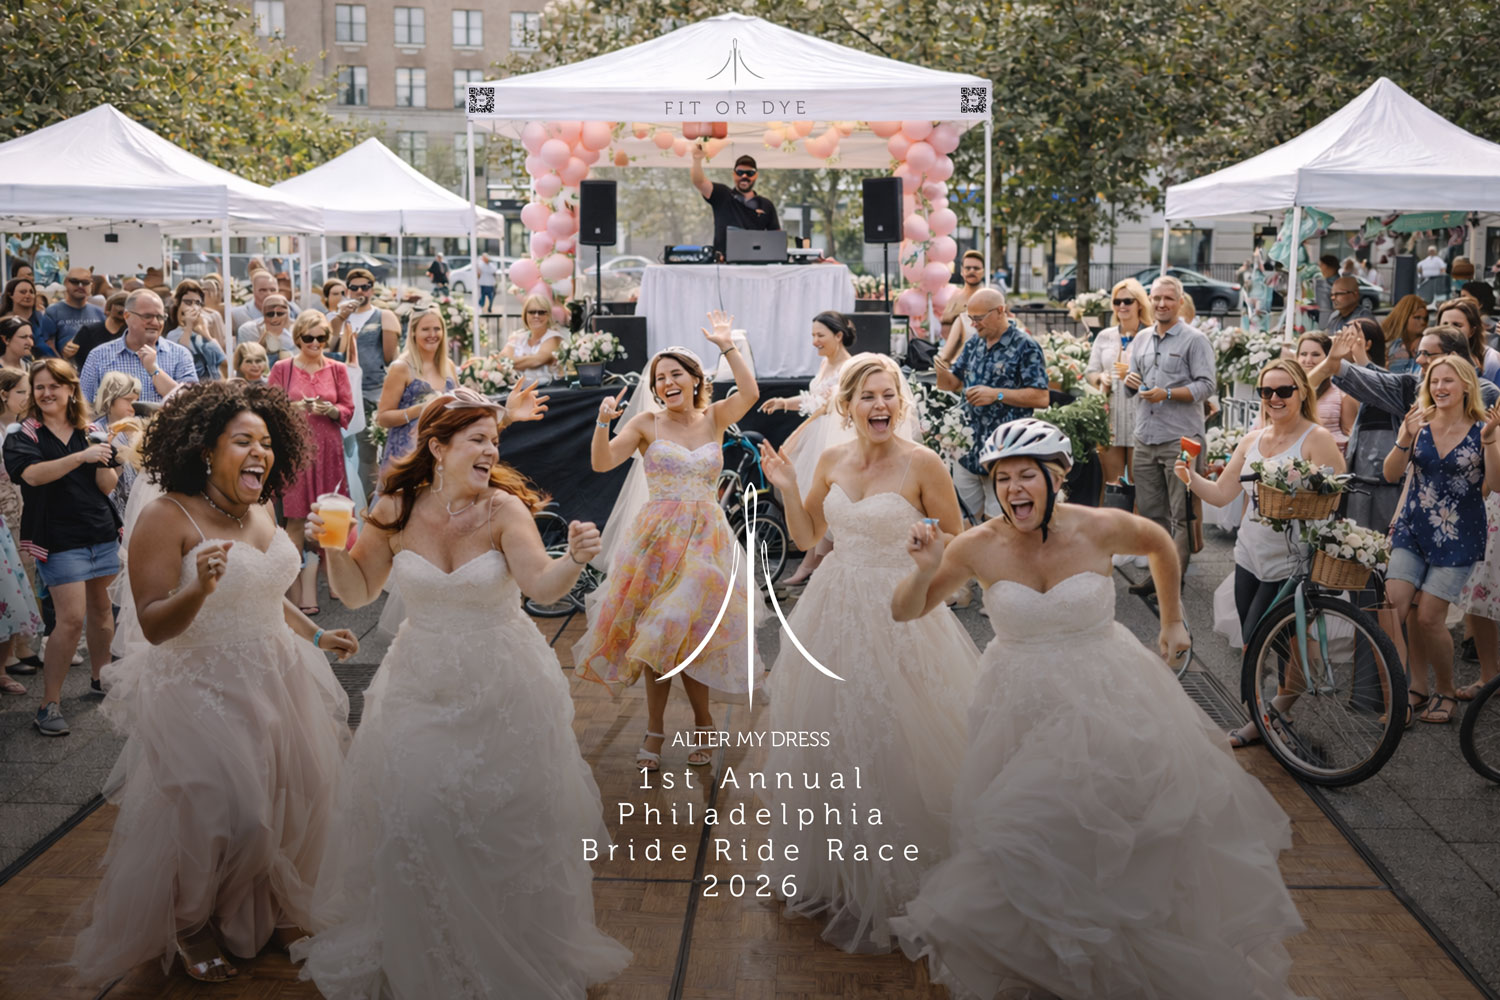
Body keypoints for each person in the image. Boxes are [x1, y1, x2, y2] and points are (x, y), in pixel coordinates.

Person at [889, 418, 1305, 1000]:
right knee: (1021, 832)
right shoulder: (974, 546)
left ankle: (1114, 961)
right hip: (1018, 706)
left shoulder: (1100, 527)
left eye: (1026, 475)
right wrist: (927, 569)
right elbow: (905, 612)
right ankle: (1054, 960)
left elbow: (1160, 543)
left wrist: (1173, 620)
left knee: (1122, 831)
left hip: (1108, 693)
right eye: (1002, 478)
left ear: (1055, 477)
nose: (1013, 489)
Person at [293, 387, 629, 998]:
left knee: (500, 822)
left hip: (502, 683)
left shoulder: (503, 509)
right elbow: (361, 590)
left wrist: (575, 559)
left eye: (494, 440)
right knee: (415, 810)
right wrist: (332, 547)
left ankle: (509, 944)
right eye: (478, 439)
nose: (491, 450)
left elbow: (542, 586)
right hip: (419, 682)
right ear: (439, 446)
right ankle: (427, 944)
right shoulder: (395, 507)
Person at [70, 380, 356, 986]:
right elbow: (151, 624)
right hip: (200, 685)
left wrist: (315, 635)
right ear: (206, 450)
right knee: (230, 815)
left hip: (278, 673)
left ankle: (273, 908)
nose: (261, 452)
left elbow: (267, 591)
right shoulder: (164, 516)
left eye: (267, 442)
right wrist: (197, 588)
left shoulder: (260, 508)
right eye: (244, 441)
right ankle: (190, 921)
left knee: (292, 801)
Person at [756, 354, 980, 953]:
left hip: (898, 610)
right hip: (831, 609)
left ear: (899, 403)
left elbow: (960, 541)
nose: (881, 405)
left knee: (896, 733)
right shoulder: (829, 460)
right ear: (847, 406)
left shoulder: (922, 463)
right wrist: (784, 487)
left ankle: (902, 871)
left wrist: (929, 554)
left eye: (889, 396)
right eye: (868, 397)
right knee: (830, 733)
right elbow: (809, 541)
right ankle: (837, 871)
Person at [574, 312, 762, 769]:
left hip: (707, 541)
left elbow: (751, 393)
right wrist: (602, 423)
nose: (667, 382)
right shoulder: (645, 424)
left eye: (676, 373)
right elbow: (602, 465)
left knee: (683, 625)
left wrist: (726, 345)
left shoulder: (715, 416)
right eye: (660, 378)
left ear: (696, 379)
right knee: (658, 637)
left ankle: (702, 723)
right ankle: (660, 729)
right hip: (656, 541)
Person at [1177, 360, 1346, 746]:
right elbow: (1223, 493)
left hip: (1292, 558)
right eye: (1266, 392)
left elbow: (1337, 493)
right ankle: (1272, 714)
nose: (1274, 398)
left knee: (1264, 638)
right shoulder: (1252, 440)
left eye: (1283, 391)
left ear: (1301, 392)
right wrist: (1189, 478)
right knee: (1259, 640)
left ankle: (1270, 716)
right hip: (1249, 554)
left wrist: (1299, 494)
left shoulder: (1316, 438)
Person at [3, 359, 123, 735]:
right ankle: (48, 703)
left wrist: (107, 454)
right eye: (39, 387)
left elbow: (107, 486)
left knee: (103, 612)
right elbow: (32, 477)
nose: (47, 393)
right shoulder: (22, 435)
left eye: (55, 385)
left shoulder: (91, 432)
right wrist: (80, 457)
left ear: (71, 389)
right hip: (58, 538)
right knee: (70, 621)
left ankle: (100, 678)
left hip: (101, 532)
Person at [1382, 356, 1500, 726]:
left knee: (1431, 617)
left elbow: (1495, 485)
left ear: (1466, 385)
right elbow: (1391, 474)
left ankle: (1445, 690)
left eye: (1448, 381)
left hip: (1460, 534)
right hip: (1413, 527)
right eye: (1434, 381)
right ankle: (1401, 695)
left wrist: (1492, 442)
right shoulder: (1418, 423)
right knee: (1392, 608)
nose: (1440, 388)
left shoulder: (1483, 426)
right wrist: (1403, 438)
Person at [1122, 275, 1216, 594]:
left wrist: (1169, 394)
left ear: (1179, 302)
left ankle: (1172, 583)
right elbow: (1131, 385)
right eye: (1156, 298)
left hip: (1181, 438)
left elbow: (1207, 386)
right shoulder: (1142, 339)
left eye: (1168, 299)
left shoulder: (1194, 340)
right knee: (1151, 514)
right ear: (1149, 301)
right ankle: (1159, 573)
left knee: (1181, 513)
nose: (1161, 304)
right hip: (1145, 436)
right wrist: (1131, 383)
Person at [758, 311, 856, 588]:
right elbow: (813, 399)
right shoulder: (825, 364)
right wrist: (782, 402)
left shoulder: (849, 367)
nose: (815, 341)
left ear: (838, 336)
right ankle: (810, 560)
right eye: (812, 335)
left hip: (834, 437)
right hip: (817, 433)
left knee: (825, 499)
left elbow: (831, 404)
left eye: (820, 335)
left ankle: (817, 562)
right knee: (809, 498)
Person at [933, 287, 1049, 521]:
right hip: (968, 451)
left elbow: (1041, 397)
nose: (973, 324)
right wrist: (939, 369)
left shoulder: (1025, 345)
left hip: (1005, 451)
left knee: (999, 526)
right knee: (963, 521)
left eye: (978, 318)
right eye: (970, 318)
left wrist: (996, 394)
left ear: (1000, 311)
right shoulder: (974, 343)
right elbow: (954, 382)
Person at [269, 311, 354, 616]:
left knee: (331, 515)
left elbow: (348, 408)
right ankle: (290, 582)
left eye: (321, 337)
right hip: (296, 450)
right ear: (298, 338)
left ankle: (336, 579)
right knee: (294, 519)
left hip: (328, 447)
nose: (315, 343)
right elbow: (270, 408)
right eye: (309, 337)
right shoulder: (282, 368)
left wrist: (331, 410)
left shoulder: (337, 369)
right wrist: (295, 407)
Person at [376, 308, 458, 479]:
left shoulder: (448, 365)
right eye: (425, 329)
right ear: (413, 332)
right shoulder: (401, 368)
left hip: (444, 451)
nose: (432, 334)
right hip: (408, 454)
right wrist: (421, 409)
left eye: (437, 329)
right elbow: (383, 418)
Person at [1084, 277, 1149, 487]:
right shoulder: (1105, 336)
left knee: (1140, 485)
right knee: (1112, 483)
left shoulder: (1150, 335)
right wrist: (1100, 378)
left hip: (1142, 416)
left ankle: (1138, 521)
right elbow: (1091, 371)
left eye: (1128, 301)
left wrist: (1135, 377)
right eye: (1117, 302)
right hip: (1111, 416)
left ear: (1139, 304)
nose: (1122, 306)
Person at [80, 289, 199, 404]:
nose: (155, 322)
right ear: (127, 316)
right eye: (147, 316)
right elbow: (83, 405)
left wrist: (154, 370)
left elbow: (190, 403)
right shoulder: (99, 356)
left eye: (160, 317)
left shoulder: (180, 355)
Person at [342, 268, 400, 499]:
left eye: (364, 287)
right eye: (354, 287)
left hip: (377, 391)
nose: (359, 291)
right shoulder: (341, 318)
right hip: (350, 393)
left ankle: (389, 498)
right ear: (347, 290)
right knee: (365, 454)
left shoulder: (383, 316)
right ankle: (369, 503)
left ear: (371, 290)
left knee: (389, 452)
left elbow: (388, 357)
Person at [0, 369, 42, 677]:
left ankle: (25, 644)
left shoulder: (18, 428)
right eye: (20, 393)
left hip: (21, 501)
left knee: (25, 570)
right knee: (9, 578)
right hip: (4, 505)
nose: (26, 399)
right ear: (3, 395)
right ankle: (10, 650)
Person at [689, 145, 780, 259]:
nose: (744, 176)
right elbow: (699, 182)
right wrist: (697, 160)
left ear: (756, 175)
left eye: (750, 173)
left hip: (755, 265)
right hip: (723, 264)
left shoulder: (766, 205)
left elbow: (777, 239)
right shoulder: (722, 194)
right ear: (733, 174)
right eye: (740, 172)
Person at [92, 371, 143, 514]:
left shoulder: (139, 427)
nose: (134, 405)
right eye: (128, 399)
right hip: (108, 509)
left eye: (136, 400)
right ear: (110, 399)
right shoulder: (96, 431)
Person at [1297, 331, 1357, 453]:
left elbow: (1351, 434)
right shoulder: (1288, 390)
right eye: (1303, 354)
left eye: (1315, 354)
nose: (1308, 360)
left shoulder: (1342, 393)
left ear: (1328, 357)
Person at [165, 279, 228, 381]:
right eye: (188, 302)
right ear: (178, 303)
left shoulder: (201, 334)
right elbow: (181, 358)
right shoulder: (173, 334)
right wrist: (188, 327)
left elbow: (224, 361)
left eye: (197, 303)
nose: (194, 307)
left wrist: (205, 333)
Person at [498, 293, 565, 384]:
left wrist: (511, 362)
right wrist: (510, 362)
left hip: (548, 393)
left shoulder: (554, 337)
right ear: (525, 314)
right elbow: (502, 359)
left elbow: (537, 361)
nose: (536, 315)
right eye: (532, 312)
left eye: (541, 312)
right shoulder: (518, 336)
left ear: (548, 315)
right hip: (519, 391)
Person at [44, 266, 104, 359]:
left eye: (85, 282)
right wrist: (61, 359)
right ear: (65, 283)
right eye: (75, 281)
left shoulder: (99, 312)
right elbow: (47, 343)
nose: (80, 286)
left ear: (91, 285)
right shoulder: (53, 311)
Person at [1436, 297, 1500, 381]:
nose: (1449, 330)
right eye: (1444, 325)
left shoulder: (1491, 360)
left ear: (1472, 331)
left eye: (1457, 325)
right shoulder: (1430, 355)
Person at [0, 276, 58, 359]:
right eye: (23, 292)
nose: (28, 295)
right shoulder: (3, 322)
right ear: (10, 295)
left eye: (31, 292)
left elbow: (53, 345)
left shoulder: (43, 319)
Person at [69, 290, 128, 370]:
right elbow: (77, 358)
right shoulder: (88, 331)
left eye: (127, 306)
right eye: (120, 304)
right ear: (109, 308)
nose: (123, 309)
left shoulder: (131, 333)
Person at [937, 250, 985, 346]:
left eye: (976, 268)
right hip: (947, 349)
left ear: (983, 271)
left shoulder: (988, 297)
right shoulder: (955, 295)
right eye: (968, 268)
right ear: (962, 271)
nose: (972, 271)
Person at [235, 292, 295, 366]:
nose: (275, 317)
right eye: (270, 314)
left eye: (280, 313)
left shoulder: (299, 329)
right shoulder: (250, 329)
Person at [231, 269, 299, 330]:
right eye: (263, 290)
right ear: (254, 291)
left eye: (273, 290)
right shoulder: (237, 314)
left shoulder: (292, 309)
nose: (268, 294)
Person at [1382, 293, 1428, 375]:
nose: (1422, 322)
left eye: (1425, 318)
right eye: (1417, 317)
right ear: (1404, 317)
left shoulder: (1427, 342)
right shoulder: (1387, 342)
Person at [1314, 253, 1339, 328]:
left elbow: (1325, 309)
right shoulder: (1336, 281)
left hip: (1328, 322)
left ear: (1328, 267)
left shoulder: (1324, 285)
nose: (1320, 268)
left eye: (1321, 265)